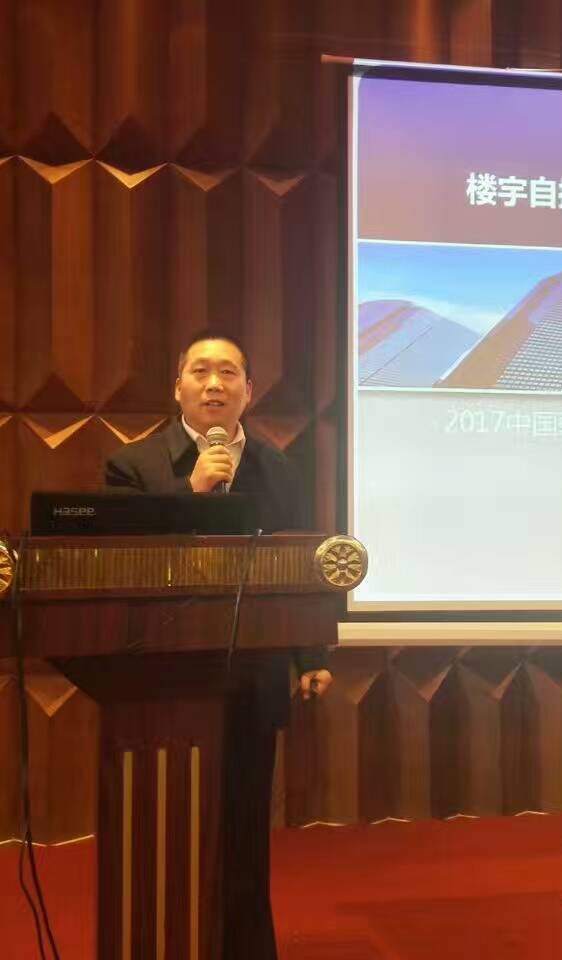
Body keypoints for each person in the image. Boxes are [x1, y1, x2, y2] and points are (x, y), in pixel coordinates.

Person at [103, 331, 331, 958]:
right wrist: (192, 494)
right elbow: (121, 562)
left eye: (228, 373)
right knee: (167, 830)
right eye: (200, 371)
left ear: (248, 391)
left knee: (244, 830)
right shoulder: (133, 466)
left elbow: (299, 565)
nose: (214, 384)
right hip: (160, 681)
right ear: (177, 387)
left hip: (254, 675)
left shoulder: (280, 469)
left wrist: (311, 653)